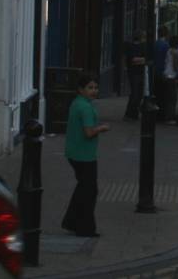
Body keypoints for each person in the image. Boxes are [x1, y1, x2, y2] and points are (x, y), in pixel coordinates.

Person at [61, 72, 108, 237]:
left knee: (83, 189)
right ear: (80, 89)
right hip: (85, 155)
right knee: (89, 191)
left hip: (74, 153)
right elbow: (89, 133)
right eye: (90, 88)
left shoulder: (77, 103)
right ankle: (85, 228)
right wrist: (101, 128)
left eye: (95, 87)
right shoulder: (86, 108)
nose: (94, 91)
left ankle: (71, 222)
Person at [122, 31, 146, 121]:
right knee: (135, 94)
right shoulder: (131, 46)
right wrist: (142, 59)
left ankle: (134, 113)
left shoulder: (142, 46)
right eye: (144, 37)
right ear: (141, 38)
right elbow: (133, 60)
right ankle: (129, 114)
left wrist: (140, 60)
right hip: (134, 72)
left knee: (139, 94)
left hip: (139, 72)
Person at [153, 26, 171, 122]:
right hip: (163, 72)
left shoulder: (155, 44)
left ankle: (155, 114)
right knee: (164, 96)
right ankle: (161, 115)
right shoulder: (166, 45)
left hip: (154, 72)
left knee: (156, 94)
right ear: (167, 34)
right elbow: (167, 60)